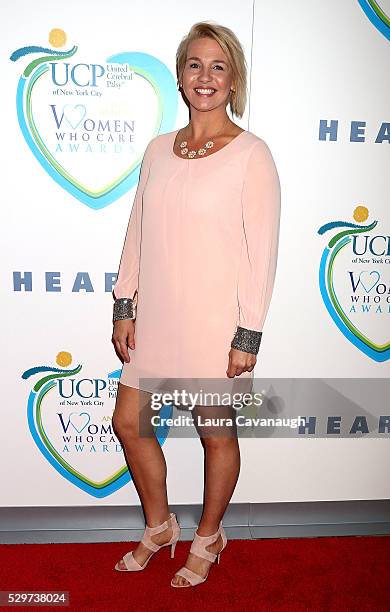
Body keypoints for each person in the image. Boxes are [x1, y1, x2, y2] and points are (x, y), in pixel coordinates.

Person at [111, 21, 281, 587]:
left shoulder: (252, 155)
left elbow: (262, 254)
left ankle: (209, 535)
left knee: (215, 434)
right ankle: (160, 527)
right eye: (194, 65)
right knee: (129, 424)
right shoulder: (159, 150)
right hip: (156, 319)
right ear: (181, 77)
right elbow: (136, 231)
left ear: (233, 80)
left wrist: (246, 335)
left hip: (214, 327)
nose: (204, 77)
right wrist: (123, 304)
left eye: (217, 67)